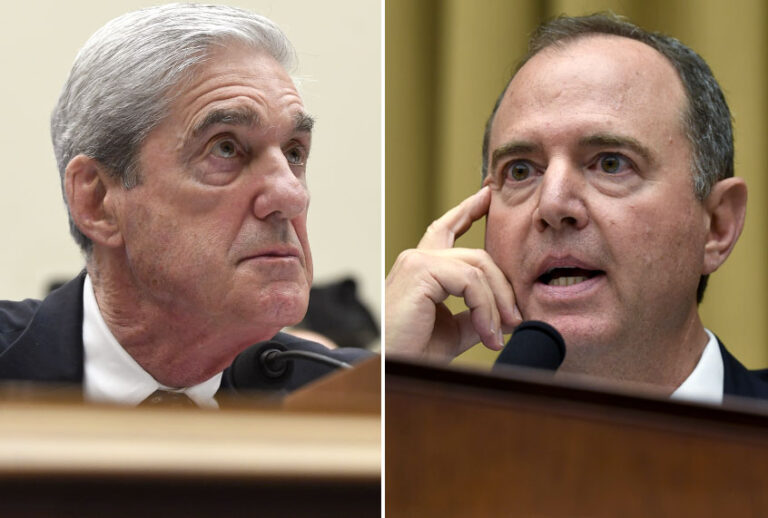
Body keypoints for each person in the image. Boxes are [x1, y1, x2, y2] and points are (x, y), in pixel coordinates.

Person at [386, 13, 768, 403]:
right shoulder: (425, 445)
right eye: (521, 170)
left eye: (610, 163)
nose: (552, 204)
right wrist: (391, 387)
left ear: (717, 225)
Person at [0, 4, 369, 407]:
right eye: (226, 148)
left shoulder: (348, 394)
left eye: (294, 153)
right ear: (98, 201)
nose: (291, 196)